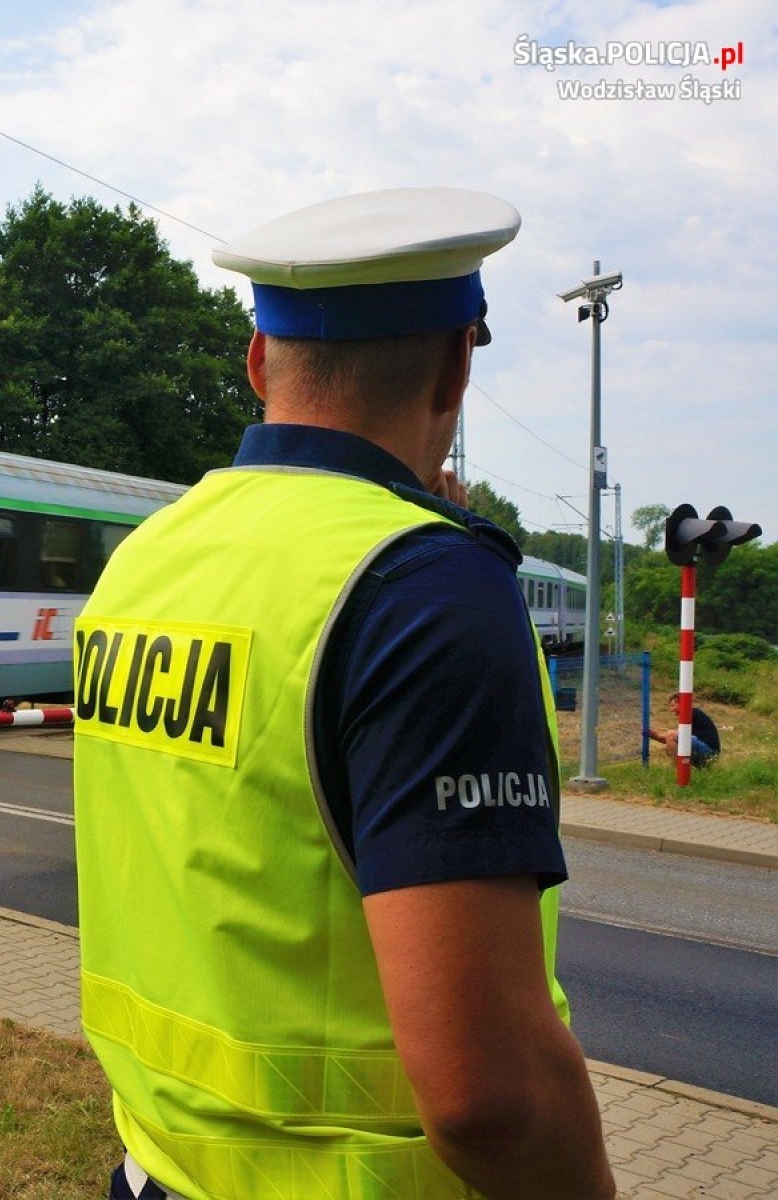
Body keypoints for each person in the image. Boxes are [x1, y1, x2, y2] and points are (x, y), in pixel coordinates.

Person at [74, 188, 615, 1199]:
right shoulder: (427, 589)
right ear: (458, 363)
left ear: (255, 362)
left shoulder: (147, 560)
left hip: (154, 1168)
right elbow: (483, 1097)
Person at [648, 694, 721, 767]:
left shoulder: (691, 713)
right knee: (670, 744)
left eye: (673, 706)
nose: (671, 710)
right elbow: (669, 740)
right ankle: (684, 768)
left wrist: (655, 734)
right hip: (709, 752)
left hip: (709, 751)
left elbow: (672, 736)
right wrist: (653, 735)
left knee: (672, 736)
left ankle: (678, 770)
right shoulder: (690, 714)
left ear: (682, 704)